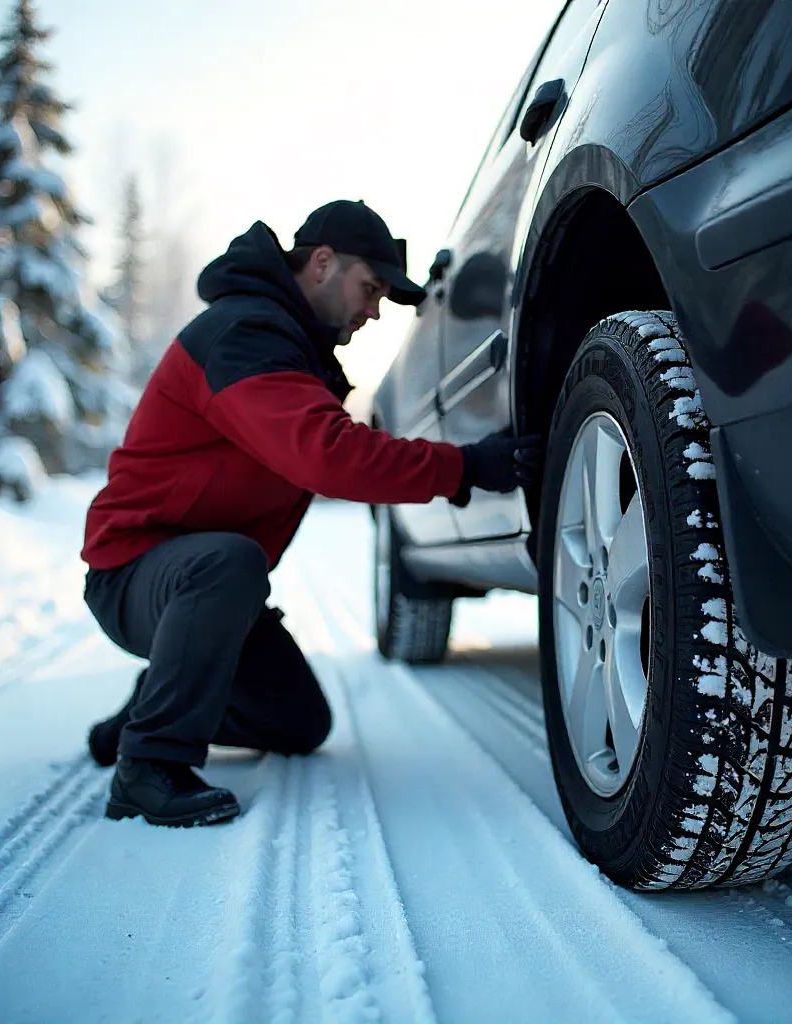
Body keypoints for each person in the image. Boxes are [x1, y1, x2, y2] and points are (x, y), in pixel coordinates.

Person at [80, 200, 540, 828]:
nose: (374, 310)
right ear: (322, 263)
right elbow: (328, 455)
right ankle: (148, 766)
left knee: (299, 721)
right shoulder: (244, 334)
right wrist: (461, 467)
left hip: (208, 589)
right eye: (369, 288)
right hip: (136, 573)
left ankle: (154, 705)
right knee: (228, 560)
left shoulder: (294, 351)